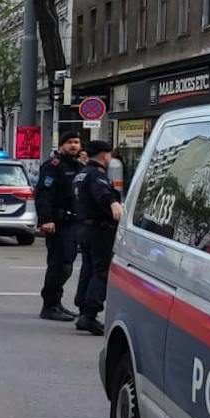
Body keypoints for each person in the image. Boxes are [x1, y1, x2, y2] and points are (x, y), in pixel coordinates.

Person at [72, 139, 124, 335]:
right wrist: (114, 204)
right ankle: (90, 314)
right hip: (99, 230)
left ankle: (83, 309)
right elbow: (103, 194)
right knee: (100, 271)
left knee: (88, 268)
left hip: (84, 228)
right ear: (104, 155)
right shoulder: (96, 175)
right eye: (109, 154)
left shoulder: (81, 174)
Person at [34, 130, 85, 321]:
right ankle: (49, 305)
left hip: (73, 223)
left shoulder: (78, 166)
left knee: (67, 264)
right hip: (58, 223)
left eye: (77, 142)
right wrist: (46, 219)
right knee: (58, 265)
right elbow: (44, 194)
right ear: (62, 145)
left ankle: (57, 303)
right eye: (70, 142)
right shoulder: (53, 166)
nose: (74, 145)